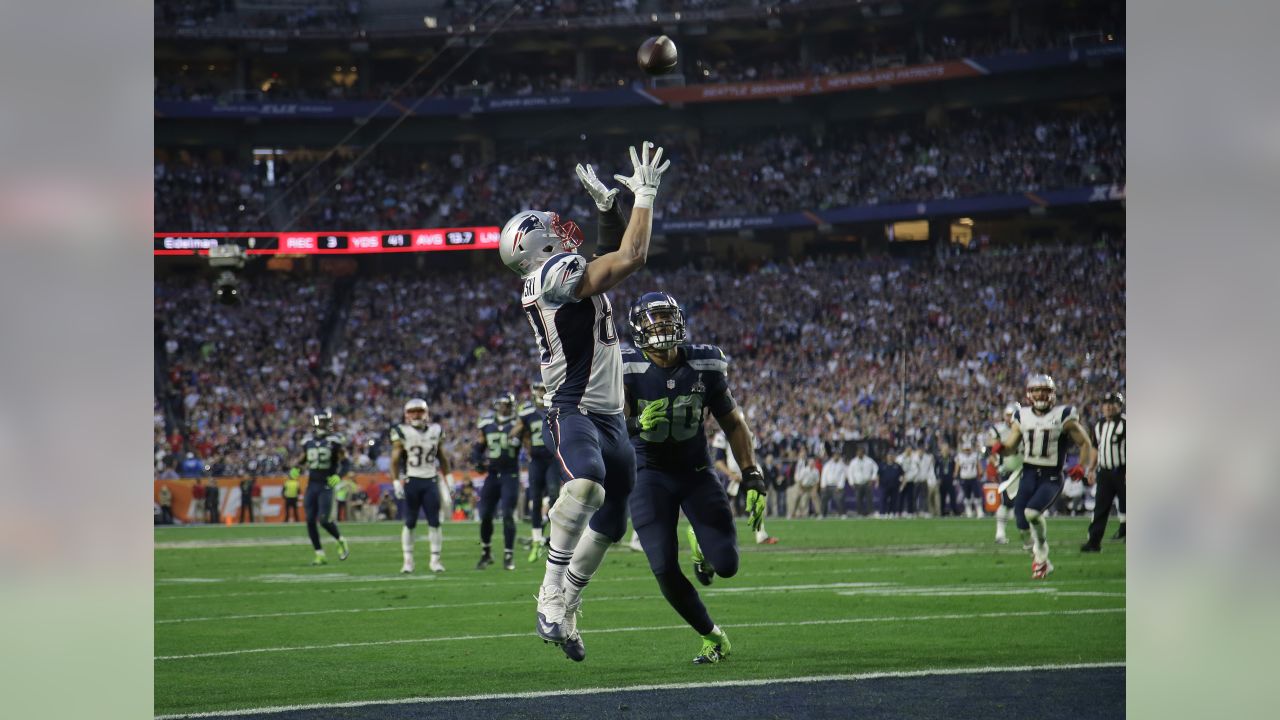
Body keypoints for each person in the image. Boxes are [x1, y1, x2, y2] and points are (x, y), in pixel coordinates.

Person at [499, 141, 669, 662]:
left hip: (612, 413)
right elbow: (630, 258)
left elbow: (608, 255)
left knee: (614, 521)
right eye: (547, 227)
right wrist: (645, 195)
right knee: (587, 484)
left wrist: (606, 210)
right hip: (573, 407)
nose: (557, 228)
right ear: (535, 246)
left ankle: (569, 605)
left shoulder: (557, 271)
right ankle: (550, 593)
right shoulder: (549, 277)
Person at [622, 291, 770, 665]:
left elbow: (733, 422)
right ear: (638, 329)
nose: (661, 327)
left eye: (666, 318)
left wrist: (752, 474)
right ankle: (712, 636)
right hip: (648, 473)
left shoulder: (706, 363)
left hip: (695, 470)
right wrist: (636, 424)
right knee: (663, 567)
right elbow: (604, 427)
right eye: (652, 320)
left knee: (728, 566)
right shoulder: (622, 365)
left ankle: (703, 549)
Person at [994, 374, 1096, 579]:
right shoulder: (1021, 416)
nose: (1041, 394)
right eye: (1037, 390)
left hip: (1051, 474)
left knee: (1032, 513)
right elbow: (1011, 446)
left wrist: (1081, 466)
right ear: (1029, 394)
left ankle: (1041, 557)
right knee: (1021, 522)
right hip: (1029, 472)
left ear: (1052, 394)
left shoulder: (1063, 415)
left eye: (1045, 390)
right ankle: (1041, 555)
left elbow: (1085, 442)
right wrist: (1000, 449)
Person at [390, 398, 453, 573]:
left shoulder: (436, 430)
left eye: (420, 411)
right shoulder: (401, 431)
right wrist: (396, 482)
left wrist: (450, 480)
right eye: (413, 411)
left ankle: (435, 560)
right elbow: (395, 460)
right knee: (410, 522)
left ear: (426, 413)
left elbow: (442, 457)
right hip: (412, 480)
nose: (416, 415)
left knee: (435, 522)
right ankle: (408, 561)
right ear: (406, 414)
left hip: (431, 480)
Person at [289, 411, 351, 566]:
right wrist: (296, 468)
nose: (323, 425)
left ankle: (340, 540)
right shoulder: (308, 441)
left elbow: (346, 462)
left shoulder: (335, 441)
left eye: (325, 422)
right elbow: (303, 459)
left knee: (323, 520)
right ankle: (319, 554)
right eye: (321, 422)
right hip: (312, 484)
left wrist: (339, 475)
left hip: (326, 484)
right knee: (310, 520)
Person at [511, 381, 560, 562]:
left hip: (553, 459)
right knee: (536, 499)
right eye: (539, 389)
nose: (542, 392)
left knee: (555, 498)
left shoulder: (557, 408)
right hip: (537, 460)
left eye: (544, 388)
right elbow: (517, 431)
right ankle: (537, 540)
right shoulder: (527, 413)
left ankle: (553, 538)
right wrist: (517, 438)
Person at [473, 393, 522, 571]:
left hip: (511, 475)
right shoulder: (486, 424)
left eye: (507, 405)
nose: (504, 408)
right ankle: (486, 553)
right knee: (485, 514)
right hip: (492, 475)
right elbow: (478, 447)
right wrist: (477, 460)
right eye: (501, 404)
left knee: (508, 514)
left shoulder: (518, 423)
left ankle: (508, 555)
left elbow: (528, 444)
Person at [712, 429, 778, 543]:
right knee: (719, 507)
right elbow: (718, 462)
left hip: (746, 474)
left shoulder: (749, 434)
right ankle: (708, 535)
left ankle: (761, 536)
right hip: (729, 477)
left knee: (757, 501)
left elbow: (753, 456)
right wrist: (731, 473)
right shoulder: (723, 435)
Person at [1082, 391, 1126, 551]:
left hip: (1122, 471)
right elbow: (1095, 448)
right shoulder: (1099, 425)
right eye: (1105, 403)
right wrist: (1091, 469)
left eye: (1112, 403)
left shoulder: (1126, 423)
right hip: (1105, 472)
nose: (1107, 407)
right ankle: (1094, 542)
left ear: (1119, 406)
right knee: (1100, 508)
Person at [989, 403, 1030, 549]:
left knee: (1025, 504)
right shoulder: (998, 429)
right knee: (1008, 503)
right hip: (1007, 470)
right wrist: (996, 464)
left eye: (1012, 415)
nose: (1009, 418)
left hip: (1024, 469)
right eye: (1007, 415)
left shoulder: (1026, 427)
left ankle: (1026, 536)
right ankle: (1001, 534)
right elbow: (991, 449)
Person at [848, 446, 878, 517]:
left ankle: (870, 512)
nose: (859, 453)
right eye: (858, 452)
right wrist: (851, 482)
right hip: (857, 483)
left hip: (867, 482)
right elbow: (850, 472)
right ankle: (859, 513)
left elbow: (875, 468)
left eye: (861, 452)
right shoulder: (853, 462)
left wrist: (872, 478)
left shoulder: (869, 460)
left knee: (869, 499)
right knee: (858, 499)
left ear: (864, 453)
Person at [955, 441, 983, 518]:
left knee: (977, 495)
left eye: (968, 449)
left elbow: (978, 464)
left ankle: (979, 510)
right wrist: (955, 474)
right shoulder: (960, 456)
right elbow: (957, 466)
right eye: (966, 450)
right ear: (963, 449)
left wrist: (980, 472)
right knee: (967, 496)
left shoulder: (974, 455)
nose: (967, 451)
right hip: (964, 478)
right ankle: (968, 510)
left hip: (973, 477)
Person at [790, 452, 820, 518]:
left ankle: (818, 513)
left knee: (815, 497)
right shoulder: (804, 470)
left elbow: (817, 481)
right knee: (797, 497)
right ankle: (793, 513)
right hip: (803, 486)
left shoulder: (816, 471)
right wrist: (800, 489)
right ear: (809, 463)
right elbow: (800, 480)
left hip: (811, 487)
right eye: (811, 463)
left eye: (813, 463)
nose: (812, 464)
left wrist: (814, 490)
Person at [819, 452, 847, 518]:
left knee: (839, 500)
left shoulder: (842, 465)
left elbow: (843, 476)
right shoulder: (827, 465)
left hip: (837, 486)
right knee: (824, 500)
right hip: (827, 486)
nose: (836, 457)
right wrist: (823, 485)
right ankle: (823, 514)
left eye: (838, 456)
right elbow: (824, 475)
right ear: (833, 456)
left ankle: (842, 514)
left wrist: (840, 486)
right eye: (835, 456)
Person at [879, 452, 904, 517]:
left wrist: (902, 485)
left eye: (891, 456)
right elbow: (878, 475)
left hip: (895, 485)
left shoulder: (897, 466)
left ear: (894, 457)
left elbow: (902, 475)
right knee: (883, 499)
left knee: (894, 500)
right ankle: (882, 513)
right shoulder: (882, 465)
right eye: (889, 456)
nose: (890, 458)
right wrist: (877, 483)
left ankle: (892, 513)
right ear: (887, 457)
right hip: (884, 485)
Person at [937, 441, 957, 516]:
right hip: (942, 479)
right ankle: (942, 511)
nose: (945, 450)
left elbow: (955, 468)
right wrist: (938, 478)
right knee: (942, 496)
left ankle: (954, 511)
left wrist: (955, 477)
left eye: (947, 449)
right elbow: (936, 469)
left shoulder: (951, 458)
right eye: (944, 449)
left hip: (950, 478)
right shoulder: (939, 459)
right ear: (941, 450)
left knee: (952, 495)